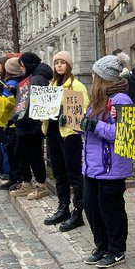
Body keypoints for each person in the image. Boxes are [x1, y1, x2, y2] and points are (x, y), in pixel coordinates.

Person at [81, 54, 133, 268]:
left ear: (103, 78)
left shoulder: (121, 99)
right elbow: (88, 130)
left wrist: (95, 127)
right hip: (93, 166)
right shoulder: (96, 101)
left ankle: (116, 249)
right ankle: (101, 246)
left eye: (95, 75)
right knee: (92, 208)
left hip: (111, 167)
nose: (92, 78)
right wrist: (77, 124)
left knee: (111, 211)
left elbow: (125, 133)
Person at [42, 51, 89, 231]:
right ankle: (63, 207)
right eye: (56, 63)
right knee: (59, 172)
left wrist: (66, 115)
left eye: (62, 63)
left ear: (68, 65)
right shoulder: (52, 84)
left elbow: (82, 109)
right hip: (53, 132)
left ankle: (78, 211)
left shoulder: (76, 85)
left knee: (73, 173)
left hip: (70, 134)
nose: (59, 66)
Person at [9, 53, 50, 200]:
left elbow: (35, 102)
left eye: (22, 65)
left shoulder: (38, 78)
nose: (21, 68)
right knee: (20, 154)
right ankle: (27, 184)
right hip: (25, 124)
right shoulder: (33, 76)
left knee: (34, 156)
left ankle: (40, 185)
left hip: (31, 125)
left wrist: (20, 116)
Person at [0, 57, 24, 190]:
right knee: (9, 150)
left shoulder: (13, 83)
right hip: (9, 121)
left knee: (14, 153)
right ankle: (12, 177)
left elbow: (9, 102)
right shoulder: (10, 82)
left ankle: (16, 178)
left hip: (12, 120)